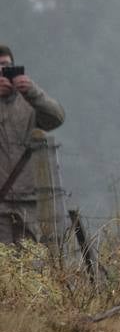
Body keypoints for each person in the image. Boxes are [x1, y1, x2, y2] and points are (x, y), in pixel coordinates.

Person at [0, 45, 65, 244]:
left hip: (28, 202)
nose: (2, 72)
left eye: (5, 66)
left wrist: (32, 91)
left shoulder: (29, 102)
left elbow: (56, 118)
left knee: (31, 268)